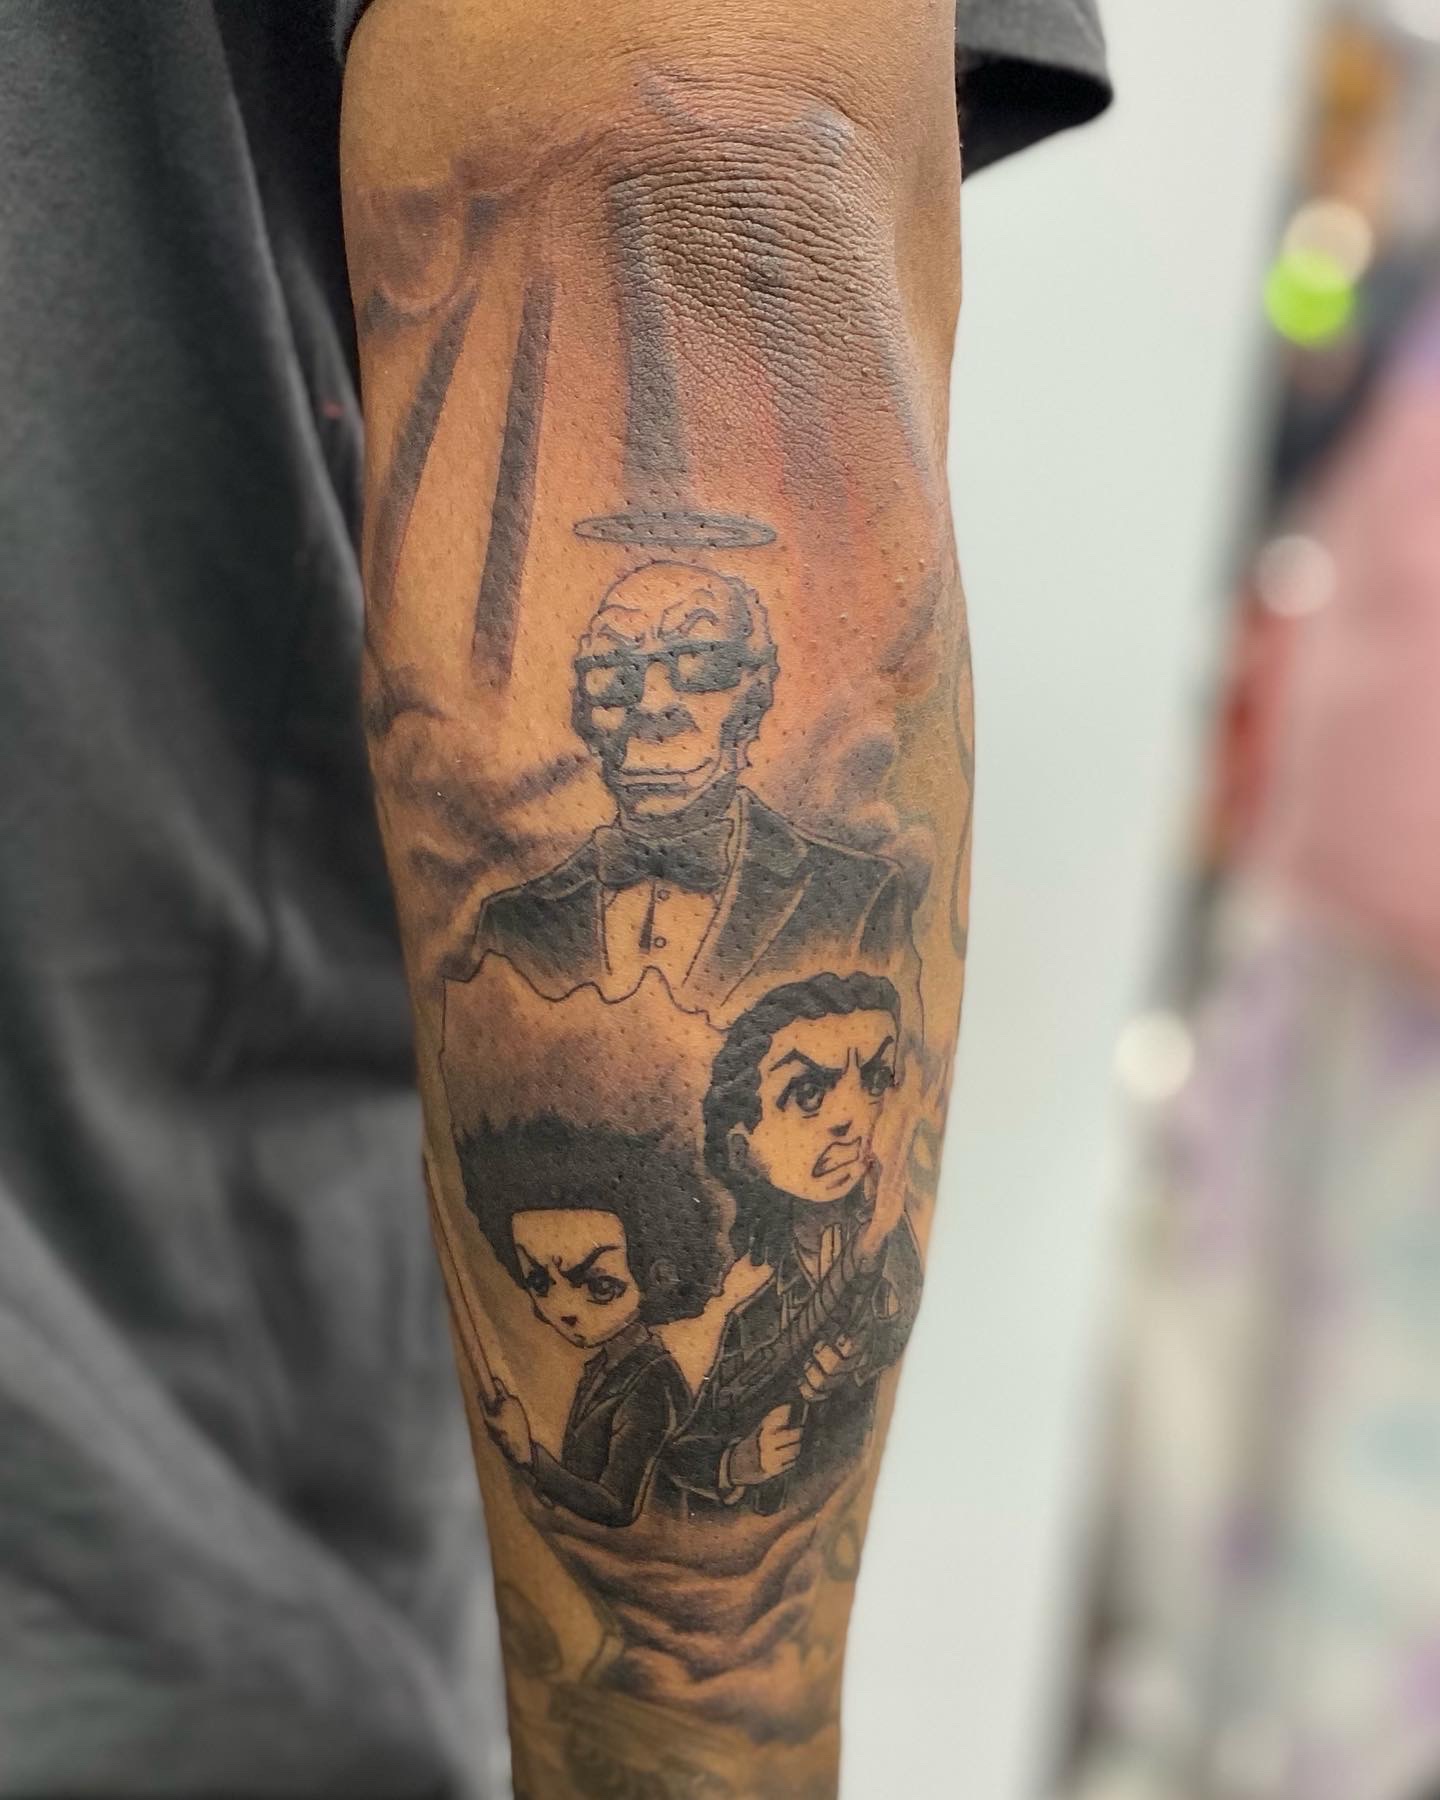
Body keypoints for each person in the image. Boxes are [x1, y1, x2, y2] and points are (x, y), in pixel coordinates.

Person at [0, 4, 1109, 1796]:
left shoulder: (816, 902)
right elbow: (695, 164)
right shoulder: (534, 926)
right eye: (619, 685)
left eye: (690, 681)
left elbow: (691, 180)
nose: (646, 716)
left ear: (749, 702)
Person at [446, 560, 915, 1014]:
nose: (653, 704)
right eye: (615, 670)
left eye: (702, 663)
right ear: (583, 708)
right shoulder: (510, 921)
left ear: (754, 694)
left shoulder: (861, 898)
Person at [672, 973, 924, 1513]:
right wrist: (737, 1463)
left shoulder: (890, 1244)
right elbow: (677, 1452)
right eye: (808, 1092)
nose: (852, 1117)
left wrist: (856, 1365)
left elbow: (896, 1326)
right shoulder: (747, 1310)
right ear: (741, 1149)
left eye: (875, 1079)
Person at [455, 1113, 721, 1527]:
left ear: (658, 1277)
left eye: (600, 1285)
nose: (564, 1307)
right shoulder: (606, 1365)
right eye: (539, 1282)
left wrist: (531, 1457)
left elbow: (615, 1507)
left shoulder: (652, 1382)